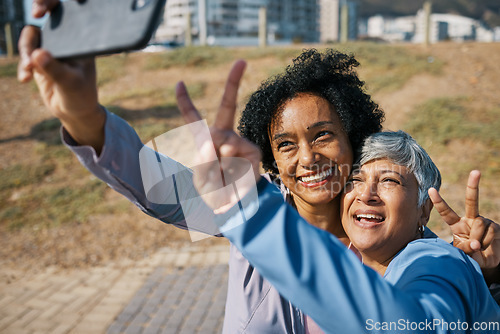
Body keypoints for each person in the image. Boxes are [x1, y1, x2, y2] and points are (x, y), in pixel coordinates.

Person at [18, 1, 499, 332]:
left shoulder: (405, 241)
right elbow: (153, 183)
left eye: (323, 135)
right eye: (285, 145)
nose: (307, 159)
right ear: (271, 160)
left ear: (355, 141)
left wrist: (487, 275)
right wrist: (83, 114)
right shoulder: (252, 205)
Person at [208, 130, 500, 333]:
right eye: (355, 179)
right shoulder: (352, 254)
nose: (366, 194)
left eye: (389, 181)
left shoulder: (437, 260)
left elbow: (425, 319)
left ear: (424, 210)